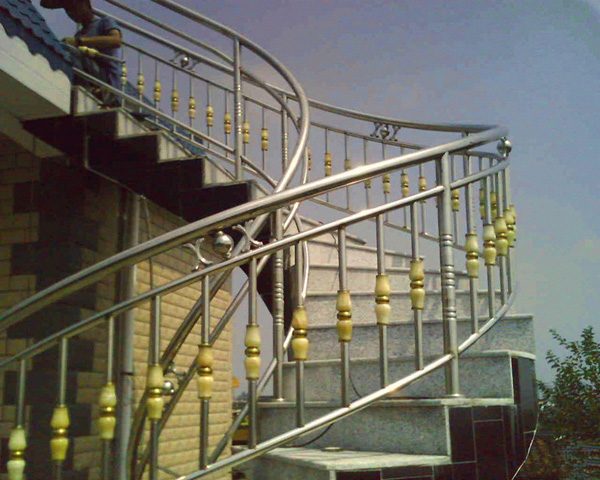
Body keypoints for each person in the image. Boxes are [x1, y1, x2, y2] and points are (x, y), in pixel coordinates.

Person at [60, 0, 123, 107]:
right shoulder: (80, 34)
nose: (71, 13)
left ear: (87, 4)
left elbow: (116, 41)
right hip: (90, 76)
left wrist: (79, 42)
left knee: (71, 51)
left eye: (73, 7)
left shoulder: (105, 22)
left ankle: (100, 93)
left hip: (105, 80)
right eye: (68, 10)